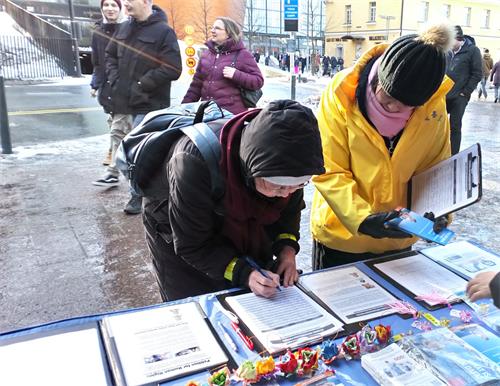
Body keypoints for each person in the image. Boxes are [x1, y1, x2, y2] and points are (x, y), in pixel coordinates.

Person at [142, 100, 325, 301]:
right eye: (279, 186)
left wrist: (287, 251)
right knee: (197, 303)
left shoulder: (290, 167)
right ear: (253, 170)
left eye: (299, 185)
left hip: (240, 219)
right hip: (179, 230)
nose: (286, 193)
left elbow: (289, 213)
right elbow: (192, 244)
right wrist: (244, 273)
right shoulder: (192, 162)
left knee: (255, 292)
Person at [310, 23, 454, 269]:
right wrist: (363, 220)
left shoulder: (432, 109)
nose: (394, 109)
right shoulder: (341, 94)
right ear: (378, 78)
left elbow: (436, 167)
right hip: (342, 237)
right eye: (388, 98)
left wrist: (439, 211)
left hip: (398, 239)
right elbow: (329, 170)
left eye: (407, 106)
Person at [93, 0, 182, 214]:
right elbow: (110, 55)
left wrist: (143, 83)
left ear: (146, 2)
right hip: (123, 102)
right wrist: (115, 79)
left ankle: (137, 195)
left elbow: (173, 68)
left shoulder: (164, 32)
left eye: (130, 0)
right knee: (122, 148)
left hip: (149, 104)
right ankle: (136, 185)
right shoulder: (124, 28)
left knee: (139, 152)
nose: (126, 4)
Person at [182, 17, 263, 115]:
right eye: (212, 28)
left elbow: (258, 81)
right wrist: (184, 108)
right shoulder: (206, 55)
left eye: (217, 28)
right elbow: (196, 85)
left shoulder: (243, 55)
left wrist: (236, 74)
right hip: (207, 113)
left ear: (229, 33)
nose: (212, 31)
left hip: (230, 116)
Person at [89, 0, 124, 167]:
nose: (109, 8)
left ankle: (114, 155)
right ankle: (115, 150)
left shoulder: (128, 29)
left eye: (114, 5)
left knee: (120, 122)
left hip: (124, 83)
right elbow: (97, 62)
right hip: (107, 85)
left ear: (120, 8)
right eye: (106, 5)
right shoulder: (98, 33)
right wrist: (95, 84)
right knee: (113, 119)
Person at [445, 25, 482, 155]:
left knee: (454, 126)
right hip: (443, 96)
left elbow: (477, 73)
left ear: (458, 38)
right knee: (437, 125)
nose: (448, 44)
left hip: (459, 97)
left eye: (450, 41)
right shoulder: (448, 51)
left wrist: (465, 92)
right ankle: (439, 153)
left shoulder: (472, 51)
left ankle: (453, 155)